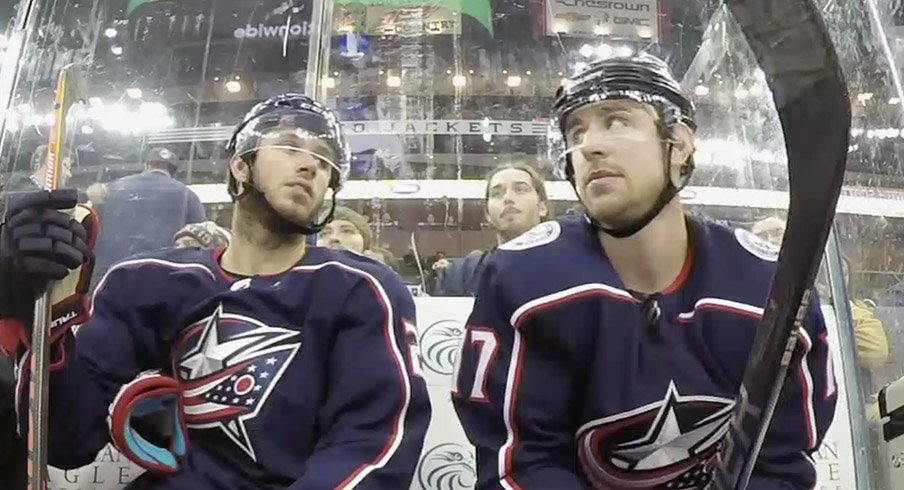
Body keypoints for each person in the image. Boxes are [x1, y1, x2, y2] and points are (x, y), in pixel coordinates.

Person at [0, 94, 431, 489]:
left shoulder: (360, 289)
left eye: (325, 159)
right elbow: (65, 439)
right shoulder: (148, 280)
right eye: (290, 147)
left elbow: (373, 441)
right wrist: (47, 316)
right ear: (240, 165)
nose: (311, 166)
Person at [451, 54, 836, 489]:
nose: (590, 145)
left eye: (617, 121)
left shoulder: (767, 288)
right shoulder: (524, 280)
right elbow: (521, 464)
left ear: (680, 144)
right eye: (576, 131)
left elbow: (778, 464)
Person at [91, 146, 206, 286]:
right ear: (173, 171)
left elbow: (91, 225)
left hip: (109, 275)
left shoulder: (112, 188)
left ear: (146, 165)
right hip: (160, 278)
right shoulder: (187, 195)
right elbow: (201, 241)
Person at [432, 163, 549, 296]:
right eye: (497, 193)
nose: (508, 198)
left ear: (542, 207)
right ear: (488, 214)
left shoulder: (567, 269)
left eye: (520, 189)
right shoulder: (460, 275)